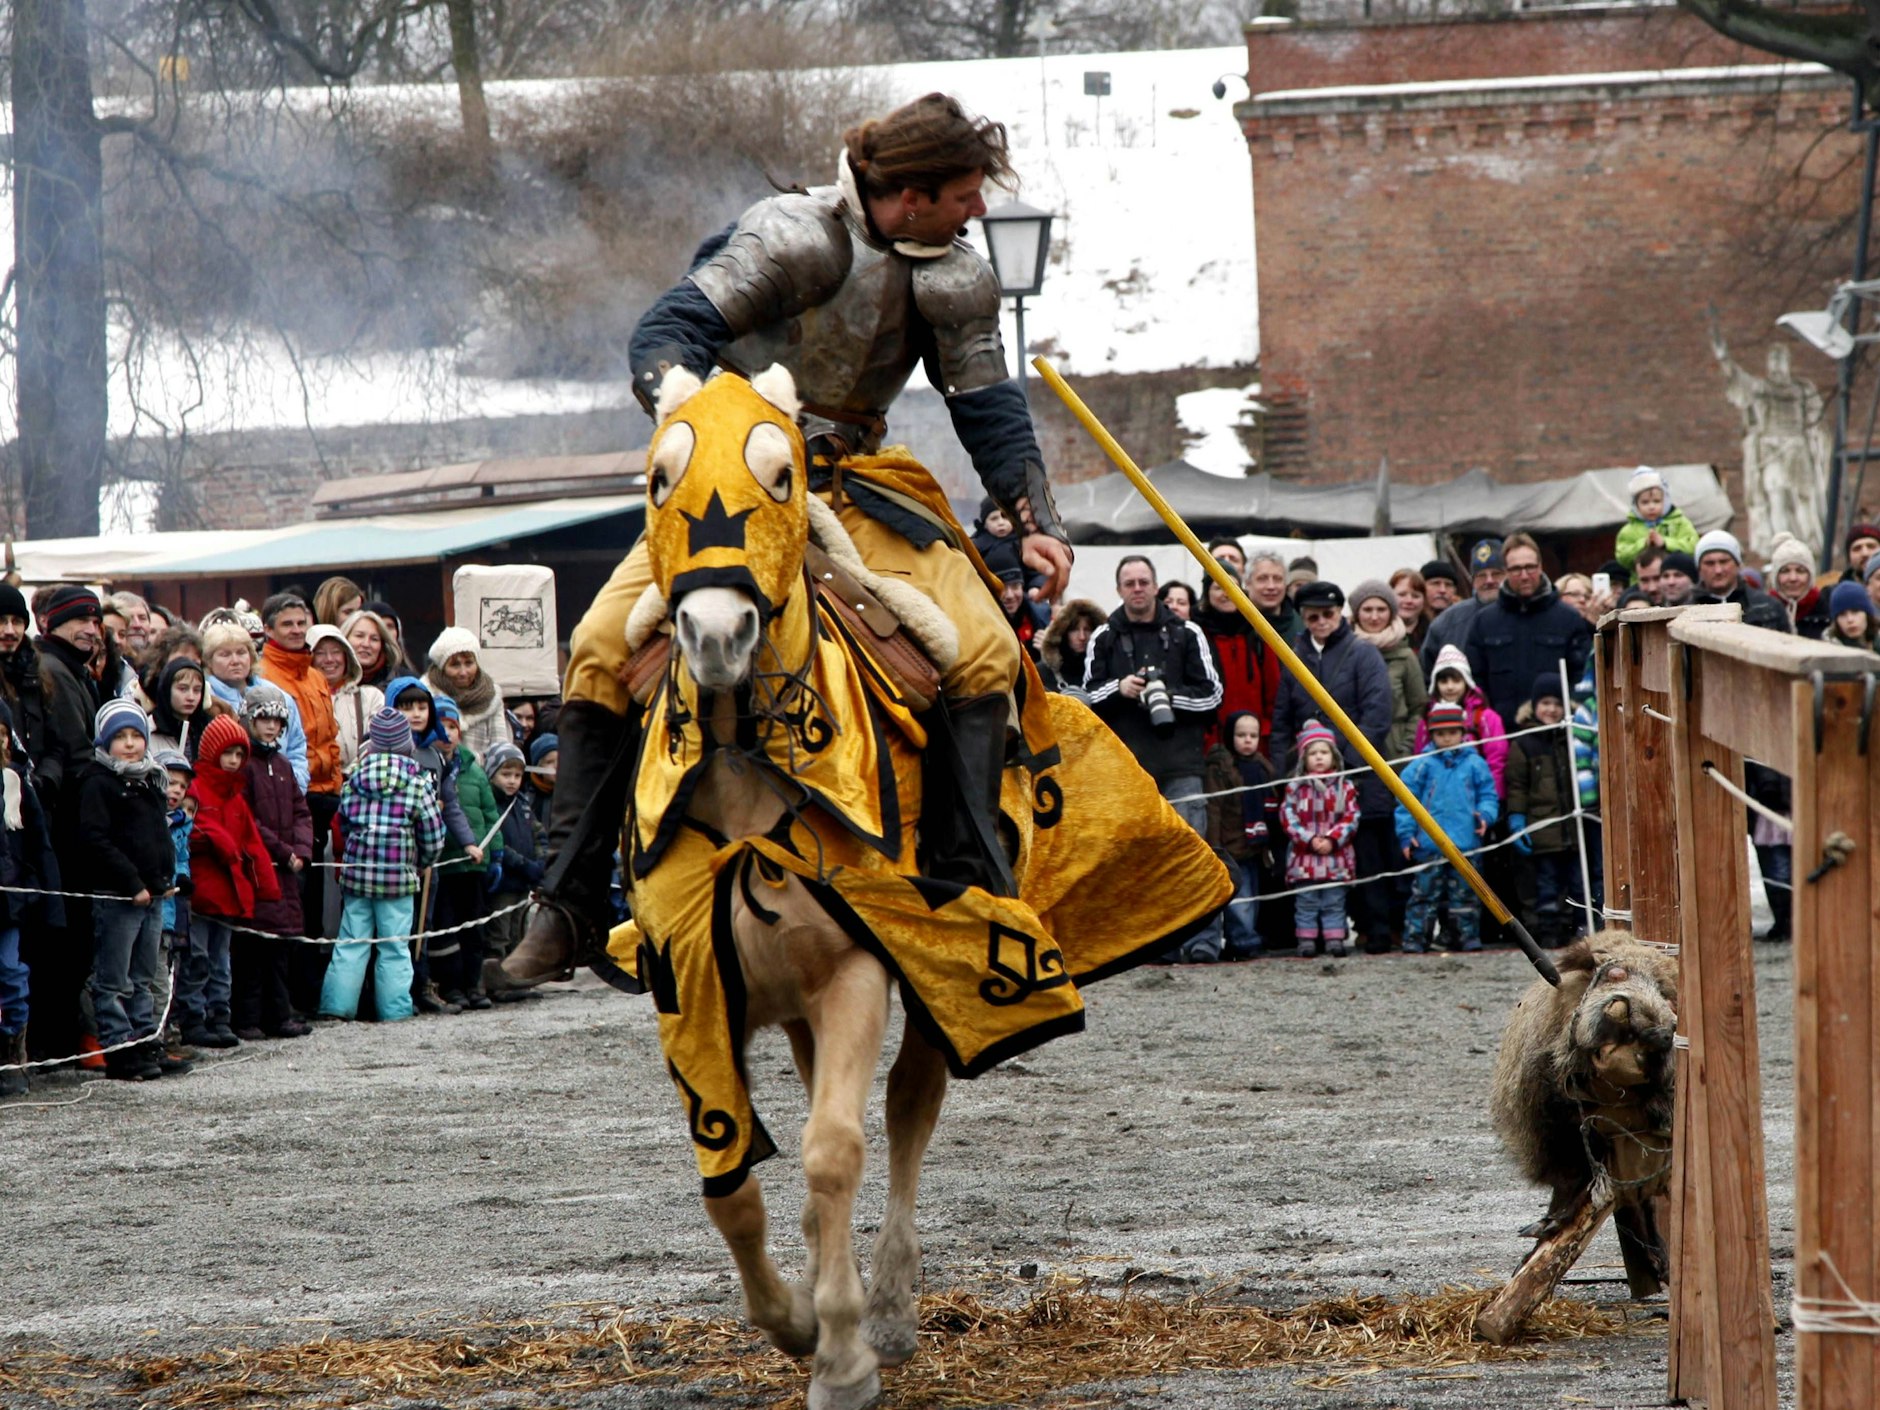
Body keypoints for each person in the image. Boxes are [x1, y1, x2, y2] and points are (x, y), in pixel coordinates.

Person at [507, 93, 1076, 990]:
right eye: (967, 193)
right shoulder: (796, 238)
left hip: (853, 488)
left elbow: (986, 405)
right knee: (597, 650)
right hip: (732, 490)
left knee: (982, 653)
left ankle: (967, 892)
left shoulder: (956, 275)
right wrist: (715, 440)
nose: (978, 210)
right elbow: (666, 334)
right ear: (915, 193)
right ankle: (571, 906)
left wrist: (1034, 518)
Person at [1269, 582, 1395, 951]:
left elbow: (1377, 714)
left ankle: (1377, 931)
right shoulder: (1292, 655)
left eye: (1327, 613)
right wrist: (1285, 770)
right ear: (1303, 617)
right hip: (1306, 781)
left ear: (1340, 612)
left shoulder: (1364, 654)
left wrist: (1339, 761)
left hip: (1358, 773)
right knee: (1307, 859)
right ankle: (1310, 936)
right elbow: (1281, 719)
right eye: (1312, 615)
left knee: (1368, 858)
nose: (1321, 621)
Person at [79, 700, 188, 1081]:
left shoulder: (150, 781)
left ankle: (145, 1041)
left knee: (143, 976)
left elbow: (159, 837)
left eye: (136, 736)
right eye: (120, 737)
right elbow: (97, 839)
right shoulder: (98, 782)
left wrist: (165, 878)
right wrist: (132, 883)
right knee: (114, 980)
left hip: (154, 896)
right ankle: (119, 1049)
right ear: (105, 742)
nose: (129, 744)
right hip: (119, 896)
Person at [26, 585, 109, 1064]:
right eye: (80, 621)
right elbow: (78, 750)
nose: (90, 630)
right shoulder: (53, 669)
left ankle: (70, 1036)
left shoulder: (71, 668)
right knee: (67, 937)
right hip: (70, 820)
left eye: (95, 622)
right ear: (53, 624)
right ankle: (66, 1038)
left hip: (77, 816)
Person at [319, 709, 445, 1023]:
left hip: (358, 876)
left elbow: (345, 826)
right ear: (407, 745)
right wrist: (423, 862)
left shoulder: (353, 782)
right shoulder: (417, 785)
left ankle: (337, 1007)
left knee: (351, 943)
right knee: (394, 947)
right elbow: (432, 834)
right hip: (398, 879)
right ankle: (394, 1010)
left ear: (373, 745)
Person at [1082, 556, 1223, 833]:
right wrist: (1119, 689)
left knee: (1188, 862)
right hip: (1123, 771)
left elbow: (1213, 696)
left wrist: (1167, 696)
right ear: (1119, 590)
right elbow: (1086, 699)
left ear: (1156, 587)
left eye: (1143, 582)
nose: (1137, 588)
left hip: (1181, 769)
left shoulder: (1188, 633)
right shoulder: (1103, 636)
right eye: (1130, 583)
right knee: (1132, 866)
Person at [181, 714, 280, 1050]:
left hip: (227, 893)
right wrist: (218, 841)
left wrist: (266, 886)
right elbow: (187, 831)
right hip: (201, 892)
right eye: (228, 754)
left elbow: (252, 843)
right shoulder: (195, 788)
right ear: (212, 752)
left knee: (221, 960)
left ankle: (219, 1015)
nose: (235, 761)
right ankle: (194, 1018)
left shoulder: (236, 797)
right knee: (196, 958)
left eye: (240, 755)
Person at [233, 685, 312, 1040]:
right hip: (257, 870)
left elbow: (301, 812)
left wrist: (302, 850)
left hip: (286, 873)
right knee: (252, 948)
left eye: (277, 720)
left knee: (281, 946)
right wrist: (283, 851)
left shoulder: (282, 765)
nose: (271, 726)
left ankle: (279, 1014)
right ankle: (248, 1018)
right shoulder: (244, 766)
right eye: (263, 718)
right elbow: (247, 819)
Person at [1396, 701, 1498, 954]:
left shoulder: (1476, 763)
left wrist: (1485, 815)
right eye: (1441, 734)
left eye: (1453, 733)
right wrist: (1407, 835)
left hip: (1466, 845)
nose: (1447, 738)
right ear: (1431, 735)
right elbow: (1404, 800)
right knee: (1423, 896)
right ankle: (1416, 939)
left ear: (1462, 733)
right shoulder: (1421, 765)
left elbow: (1488, 794)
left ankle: (1465, 937)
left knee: (1466, 896)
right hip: (1428, 845)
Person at [1462, 533, 1594, 727]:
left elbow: (1582, 679)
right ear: (1505, 571)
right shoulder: (1484, 622)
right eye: (1516, 569)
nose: (1524, 575)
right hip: (1503, 737)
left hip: (1556, 736)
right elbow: (1474, 684)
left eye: (1530, 567)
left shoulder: (1568, 619)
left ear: (1541, 566)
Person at [0, 701, 62, 1096]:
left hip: (8, 903)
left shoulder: (16, 784)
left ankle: (12, 1048)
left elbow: (39, 843)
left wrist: (49, 898)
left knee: (10, 974)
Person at [433, 695, 501, 1010]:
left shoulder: (474, 771)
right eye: (441, 726)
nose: (447, 734)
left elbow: (490, 815)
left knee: (474, 929)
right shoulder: (431, 765)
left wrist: (494, 854)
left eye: (452, 727)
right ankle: (451, 986)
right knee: (446, 931)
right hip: (443, 864)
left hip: (473, 865)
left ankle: (474, 986)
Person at [1506, 676, 1581, 949]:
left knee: (1575, 883)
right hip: (1542, 828)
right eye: (1545, 703)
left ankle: (1574, 929)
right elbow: (1517, 787)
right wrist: (1516, 819)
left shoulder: (1574, 736)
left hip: (1573, 829)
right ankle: (1548, 931)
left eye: (1557, 704)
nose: (1551, 709)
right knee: (1546, 884)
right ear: (1535, 706)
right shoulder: (1524, 742)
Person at [1279, 721, 1358, 958]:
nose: (1319, 757)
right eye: (1313, 753)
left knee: (1334, 902)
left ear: (1333, 756)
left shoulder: (1346, 786)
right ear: (1304, 758)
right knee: (1306, 903)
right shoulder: (1295, 787)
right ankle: (1306, 941)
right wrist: (1309, 839)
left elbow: (1352, 816)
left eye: (1324, 752)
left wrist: (1333, 839)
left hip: (1336, 859)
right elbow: (1287, 816)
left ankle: (1334, 940)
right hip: (1304, 861)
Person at [1202, 710, 1274, 962]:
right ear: (1230, 736)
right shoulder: (1220, 768)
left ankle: (1246, 938)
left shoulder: (1262, 766)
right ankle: (1241, 941)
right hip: (1230, 845)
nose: (1247, 740)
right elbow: (1214, 808)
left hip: (1255, 844)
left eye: (1253, 735)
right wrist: (1215, 845)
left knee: (1251, 897)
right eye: (1241, 735)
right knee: (1239, 899)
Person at [203, 620, 310, 790]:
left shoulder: (279, 696)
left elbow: (296, 749)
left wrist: (294, 789)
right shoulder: (204, 699)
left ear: (251, 656)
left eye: (241, 652)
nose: (235, 661)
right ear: (208, 661)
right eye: (225, 654)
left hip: (280, 796)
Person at [1415, 645, 1510, 798]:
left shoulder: (1486, 717)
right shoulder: (1427, 719)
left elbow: (1497, 762)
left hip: (1477, 797)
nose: (1450, 687)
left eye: (1456, 680)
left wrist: (1491, 801)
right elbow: (1419, 761)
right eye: (1444, 681)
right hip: (1437, 801)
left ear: (1467, 682)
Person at [1349, 579, 1426, 761]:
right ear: (1356, 614)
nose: (1374, 617)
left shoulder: (1405, 656)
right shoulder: (1345, 653)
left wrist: (1406, 745)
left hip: (1395, 751)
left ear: (1391, 612)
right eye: (1367, 610)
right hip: (1356, 748)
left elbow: (1419, 707)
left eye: (1381, 609)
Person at [482, 741, 545, 965]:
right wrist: (521, 863)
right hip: (504, 882)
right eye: (506, 774)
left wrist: (540, 861)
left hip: (523, 881)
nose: (512, 781)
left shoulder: (522, 803)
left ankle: (514, 975)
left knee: (519, 931)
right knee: (499, 933)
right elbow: (492, 838)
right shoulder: (490, 802)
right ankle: (495, 975)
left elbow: (537, 833)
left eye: (517, 775)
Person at [425, 626, 511, 762]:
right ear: (442, 667)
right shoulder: (426, 694)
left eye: (469, 663)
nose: (463, 672)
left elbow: (500, 749)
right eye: (455, 665)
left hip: (480, 777)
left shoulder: (491, 696)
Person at [307, 625, 384, 777]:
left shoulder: (371, 697)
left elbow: (377, 742)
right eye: (320, 653)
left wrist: (349, 775)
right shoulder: (300, 700)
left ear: (347, 656)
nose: (329, 659)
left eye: (336, 652)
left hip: (362, 782)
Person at [1420, 538, 1504, 675]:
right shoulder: (1446, 623)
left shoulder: (1525, 613)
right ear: (1473, 580)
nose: (1489, 581)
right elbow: (1428, 675)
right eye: (1481, 575)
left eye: (1496, 574)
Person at [1691, 530, 1791, 633]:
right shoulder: (1687, 613)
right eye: (1710, 563)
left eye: (1724, 561)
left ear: (1737, 564)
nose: (1718, 570)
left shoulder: (1769, 607)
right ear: (1699, 568)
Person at [1614, 465, 1698, 570]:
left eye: (1656, 501)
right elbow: (1622, 558)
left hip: (1674, 579)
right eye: (1645, 502)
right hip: (1642, 582)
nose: (1651, 507)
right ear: (1636, 505)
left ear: (1665, 501)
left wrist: (1665, 543)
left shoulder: (1680, 523)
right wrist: (1643, 544)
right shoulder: (1628, 531)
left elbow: (1693, 547)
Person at [147, 656, 220, 765]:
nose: (191, 697)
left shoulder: (209, 729)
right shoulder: (150, 729)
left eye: (197, 690)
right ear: (167, 690)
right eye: (183, 689)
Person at [1766, 532, 1829, 638]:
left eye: (1800, 571)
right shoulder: (1763, 610)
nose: (1793, 578)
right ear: (1775, 577)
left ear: (1810, 576)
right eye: (1785, 571)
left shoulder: (1827, 609)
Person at [1037, 600, 1104, 695]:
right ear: (1063, 633)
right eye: (1075, 630)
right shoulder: (1042, 673)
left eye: (1087, 629)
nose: (1082, 637)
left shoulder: (1105, 670)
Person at [341, 609, 403, 694]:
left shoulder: (398, 686)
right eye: (359, 636)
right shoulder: (330, 681)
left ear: (382, 645)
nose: (366, 644)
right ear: (344, 638)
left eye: (374, 639)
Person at [1826, 581, 1878, 650]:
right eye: (1842, 614)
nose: (1850, 620)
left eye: (1855, 611)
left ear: (1867, 614)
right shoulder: (1829, 651)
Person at [1390, 568, 1431, 650]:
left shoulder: (1433, 635)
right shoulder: (1378, 636)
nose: (1409, 601)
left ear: (1424, 600)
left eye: (1415, 596)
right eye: (1402, 595)